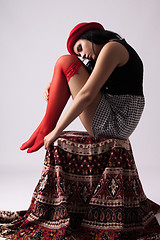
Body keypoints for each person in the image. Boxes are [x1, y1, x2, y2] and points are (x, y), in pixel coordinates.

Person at [20, 22, 145, 153]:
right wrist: (54, 83)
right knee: (65, 64)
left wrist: (57, 131)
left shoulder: (112, 48)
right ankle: (44, 126)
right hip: (117, 118)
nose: (83, 55)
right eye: (79, 54)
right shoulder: (112, 48)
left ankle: (47, 128)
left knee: (65, 61)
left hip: (116, 123)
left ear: (91, 35)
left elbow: (87, 94)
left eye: (80, 48)